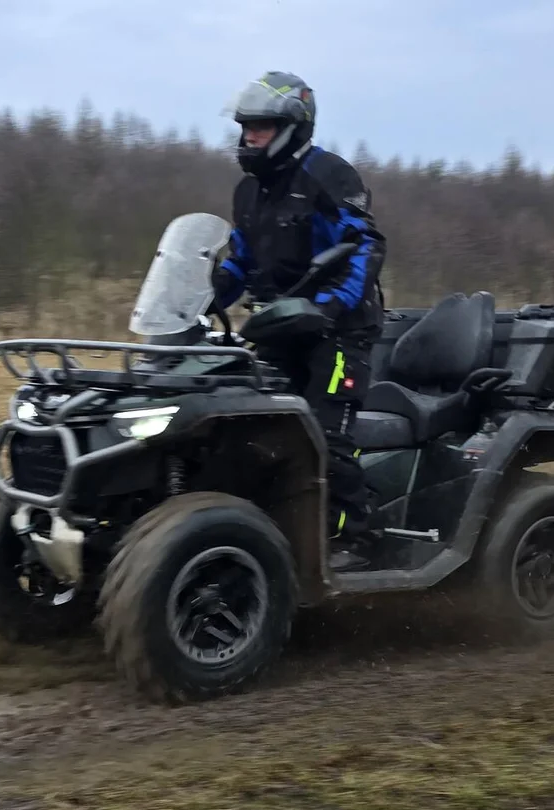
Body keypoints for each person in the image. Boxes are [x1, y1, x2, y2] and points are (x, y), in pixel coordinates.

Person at [210, 71, 386, 571]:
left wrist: (331, 304)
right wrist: (206, 293)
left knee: (321, 435)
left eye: (260, 127)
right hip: (279, 331)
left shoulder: (329, 176)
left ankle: (359, 536)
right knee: (248, 434)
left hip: (339, 333)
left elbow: (365, 245)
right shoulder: (249, 192)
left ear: (292, 126)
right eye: (245, 127)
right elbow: (239, 259)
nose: (248, 137)